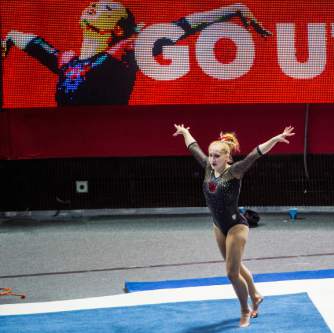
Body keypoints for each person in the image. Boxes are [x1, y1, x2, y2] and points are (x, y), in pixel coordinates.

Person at [1, 1, 271, 106]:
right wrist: (9, 38)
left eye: (106, 8)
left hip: (107, 135)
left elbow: (185, 25)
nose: (95, 6)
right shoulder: (66, 61)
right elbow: (29, 40)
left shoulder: (126, 52)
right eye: (96, 3)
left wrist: (235, 8)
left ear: (118, 28)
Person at [173, 124, 295, 327]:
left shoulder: (235, 171)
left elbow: (256, 154)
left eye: (216, 156)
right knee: (235, 266)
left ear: (227, 157)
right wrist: (185, 132)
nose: (212, 160)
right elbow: (193, 147)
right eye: (210, 155)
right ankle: (255, 294)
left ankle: (245, 310)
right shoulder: (207, 168)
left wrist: (276, 138)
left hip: (236, 226)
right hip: (218, 226)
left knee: (231, 272)